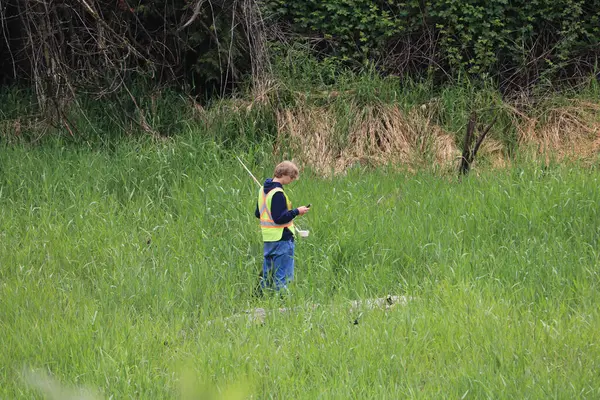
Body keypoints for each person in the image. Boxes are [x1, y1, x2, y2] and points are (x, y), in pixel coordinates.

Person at [254, 161, 310, 293]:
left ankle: (261, 300)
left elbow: (258, 213)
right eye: (291, 178)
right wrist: (297, 211)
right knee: (283, 275)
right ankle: (283, 305)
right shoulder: (277, 193)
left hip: (269, 239)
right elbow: (279, 218)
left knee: (267, 275)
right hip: (282, 238)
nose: (291, 181)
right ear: (284, 175)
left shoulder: (263, 190)